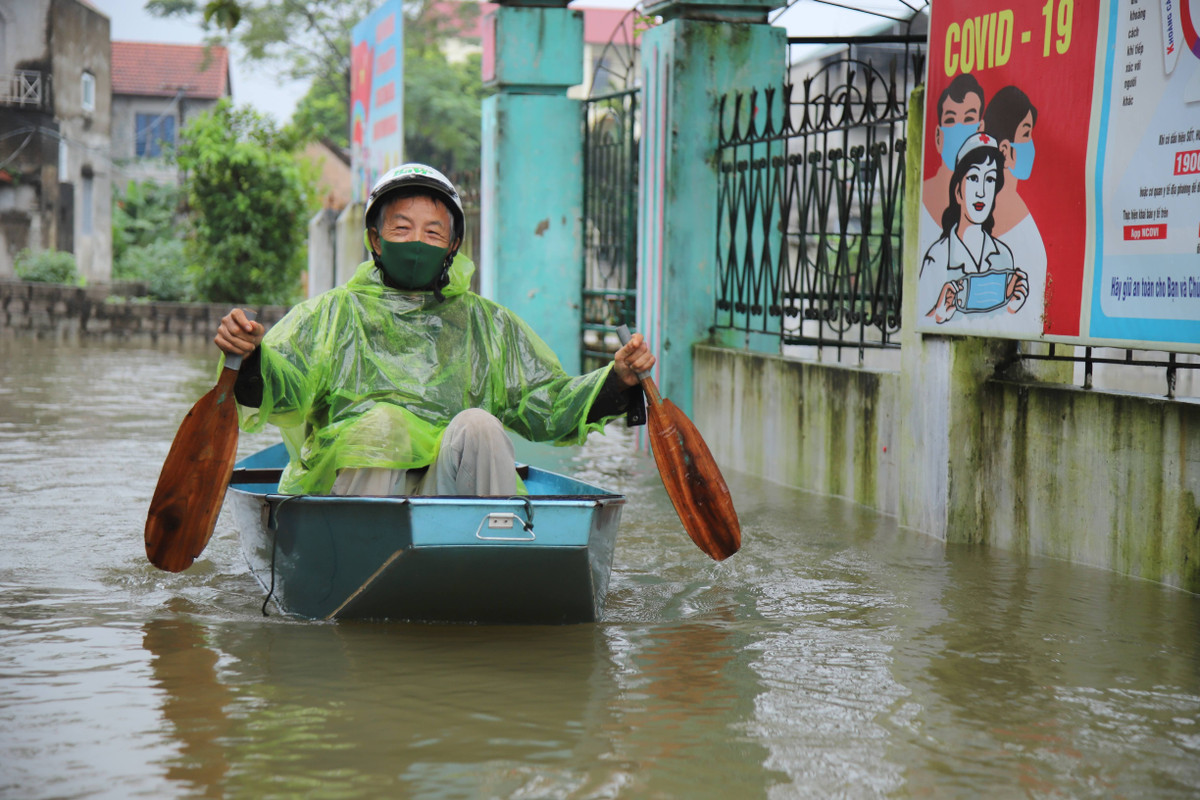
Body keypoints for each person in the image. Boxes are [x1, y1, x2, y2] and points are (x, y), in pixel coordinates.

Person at [214, 163, 656, 497]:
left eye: (432, 232)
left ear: (453, 245)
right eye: (401, 228)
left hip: (448, 496)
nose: (416, 243)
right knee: (383, 424)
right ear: (374, 239)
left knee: (480, 425)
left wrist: (616, 379)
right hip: (353, 497)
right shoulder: (330, 315)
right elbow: (282, 388)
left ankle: (487, 563)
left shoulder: (489, 325)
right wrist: (252, 356)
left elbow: (548, 407)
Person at [919, 132, 1028, 326]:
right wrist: (938, 314)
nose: (981, 192)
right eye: (974, 178)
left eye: (990, 180)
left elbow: (1002, 324)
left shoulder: (1003, 255)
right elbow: (918, 322)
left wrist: (1013, 307)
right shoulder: (938, 256)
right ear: (958, 190)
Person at [921, 74, 986, 233]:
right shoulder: (924, 200)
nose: (959, 130)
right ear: (938, 136)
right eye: (950, 120)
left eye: (969, 118)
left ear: (981, 130)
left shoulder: (990, 199)